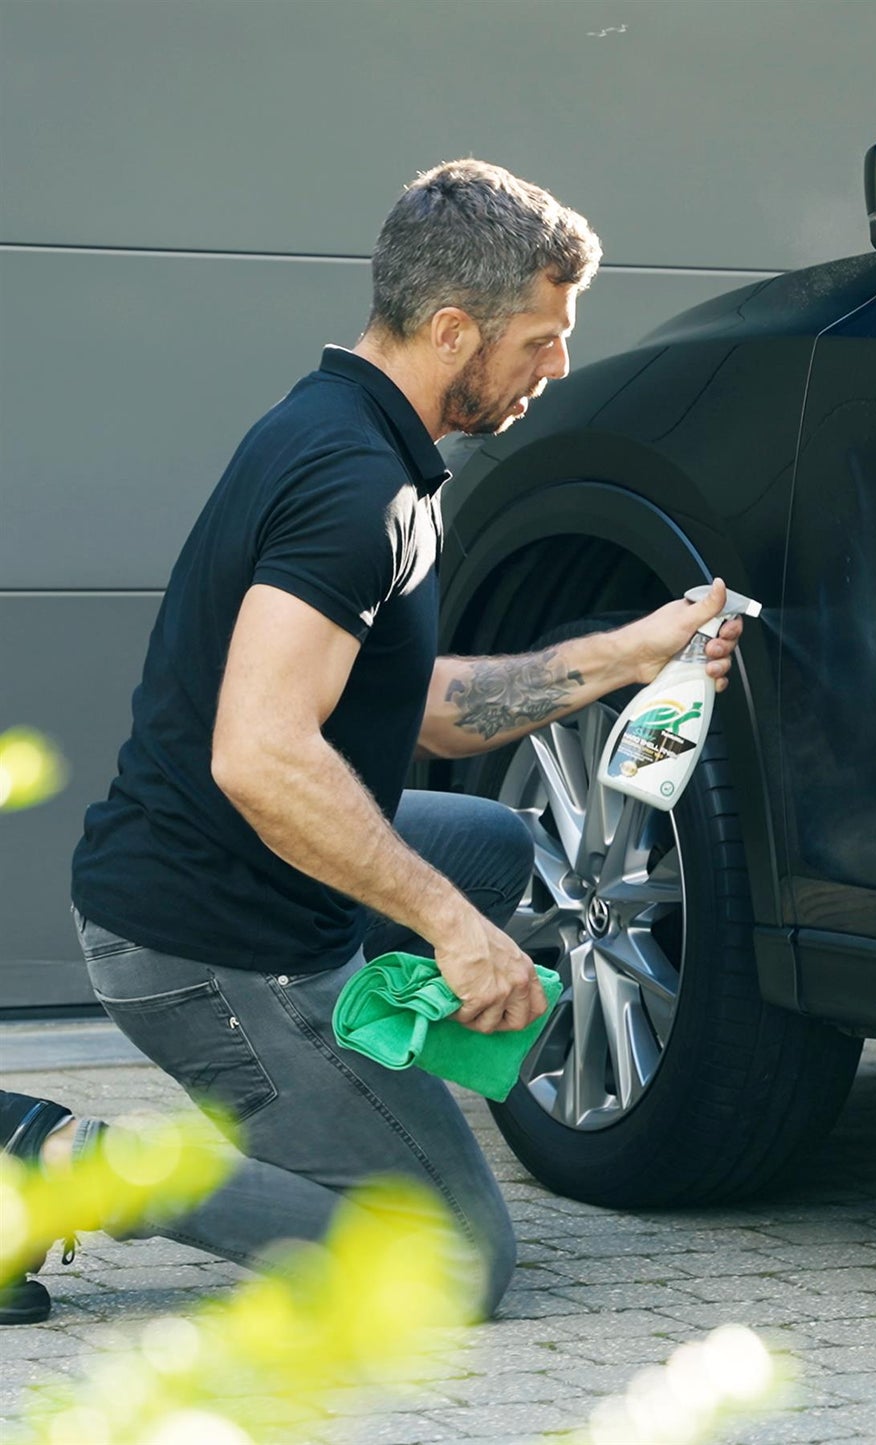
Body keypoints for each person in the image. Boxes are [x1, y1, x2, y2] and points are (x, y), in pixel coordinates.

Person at [0, 159, 744, 1326]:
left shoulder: (356, 431)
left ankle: (340, 1100)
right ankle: (53, 1155)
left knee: (494, 847)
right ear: (454, 329)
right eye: (539, 339)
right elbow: (259, 752)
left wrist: (628, 652)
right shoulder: (354, 487)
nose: (556, 365)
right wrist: (451, 931)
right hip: (207, 946)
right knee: (454, 1266)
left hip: (226, 873)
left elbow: (426, 708)